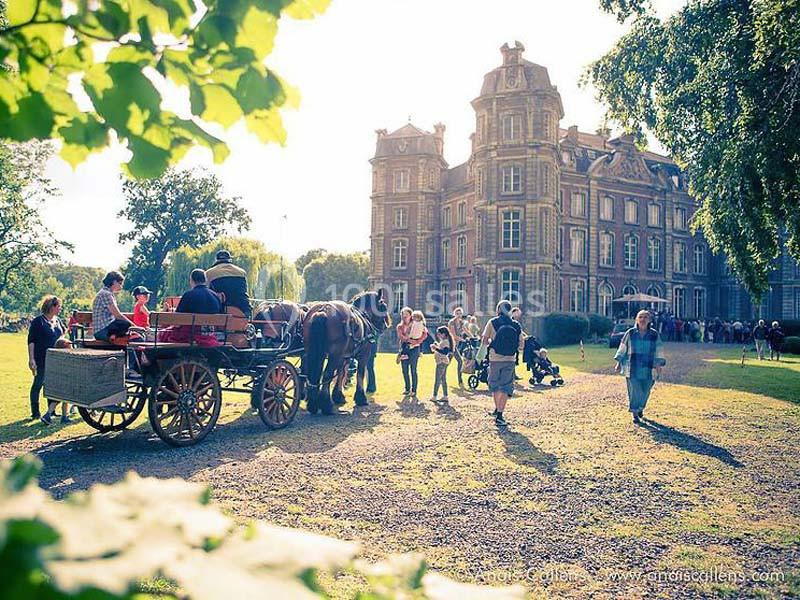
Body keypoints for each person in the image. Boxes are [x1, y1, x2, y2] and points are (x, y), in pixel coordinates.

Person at [613, 310, 666, 424]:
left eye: (645, 317)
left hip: (648, 367)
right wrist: (618, 362)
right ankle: (635, 413)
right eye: (640, 317)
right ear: (636, 319)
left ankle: (640, 407)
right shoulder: (630, 333)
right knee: (635, 390)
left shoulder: (654, 334)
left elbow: (659, 349)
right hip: (632, 366)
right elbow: (623, 347)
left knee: (646, 390)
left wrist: (658, 363)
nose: (643, 319)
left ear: (649, 320)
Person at [27, 295, 71, 424]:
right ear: (51, 306)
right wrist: (31, 359)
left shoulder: (57, 321)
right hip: (41, 358)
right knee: (39, 383)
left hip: (56, 359)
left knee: (52, 384)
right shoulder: (38, 322)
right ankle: (35, 412)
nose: (60, 309)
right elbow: (31, 341)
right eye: (58, 306)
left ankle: (51, 411)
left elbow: (63, 335)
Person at [481, 300, 525, 427]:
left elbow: (484, 340)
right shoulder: (516, 325)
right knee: (506, 386)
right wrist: (516, 350)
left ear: (498, 309)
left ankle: (497, 409)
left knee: (495, 385)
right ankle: (500, 414)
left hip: (495, 358)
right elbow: (521, 343)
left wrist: (491, 343)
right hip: (510, 359)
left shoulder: (492, 322)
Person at [159, 269, 223, 346]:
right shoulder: (215, 296)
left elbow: (177, 321)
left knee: (164, 333)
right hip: (209, 335)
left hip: (190, 336)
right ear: (205, 280)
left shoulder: (188, 295)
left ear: (191, 280)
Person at [206, 250, 251, 317]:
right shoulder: (242, 272)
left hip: (221, 310)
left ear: (216, 260)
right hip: (243, 308)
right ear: (229, 259)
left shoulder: (209, 273)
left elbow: (208, 293)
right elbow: (244, 290)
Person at [92, 271, 135, 341]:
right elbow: (118, 315)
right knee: (126, 324)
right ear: (114, 282)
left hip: (104, 329)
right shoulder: (106, 294)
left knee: (124, 325)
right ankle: (113, 335)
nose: (121, 287)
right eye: (120, 283)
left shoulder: (106, 293)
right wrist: (134, 326)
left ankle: (114, 335)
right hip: (102, 331)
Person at [396, 307, 425, 397]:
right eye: (403, 315)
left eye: (406, 315)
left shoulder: (417, 324)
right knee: (404, 370)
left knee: (413, 369)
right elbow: (401, 337)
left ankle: (414, 390)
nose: (404, 317)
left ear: (410, 315)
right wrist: (409, 339)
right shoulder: (400, 326)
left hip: (415, 349)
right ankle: (407, 388)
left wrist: (417, 341)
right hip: (404, 349)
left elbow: (425, 334)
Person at [429, 326, 454, 403]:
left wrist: (435, 348)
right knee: (443, 379)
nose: (438, 335)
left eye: (439, 334)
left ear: (444, 334)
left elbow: (444, 352)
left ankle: (434, 396)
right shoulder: (444, 341)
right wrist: (437, 345)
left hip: (441, 362)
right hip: (443, 362)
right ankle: (445, 396)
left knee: (438, 379)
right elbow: (442, 349)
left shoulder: (445, 341)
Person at [448, 307, 468, 387]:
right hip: (450, 344)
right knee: (459, 361)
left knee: (446, 362)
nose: (459, 315)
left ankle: (441, 377)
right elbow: (453, 335)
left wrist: (473, 337)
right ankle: (460, 381)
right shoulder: (452, 322)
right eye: (457, 313)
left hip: (455, 345)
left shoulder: (461, 322)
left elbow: (466, 330)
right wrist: (462, 340)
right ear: (454, 314)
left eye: (460, 313)